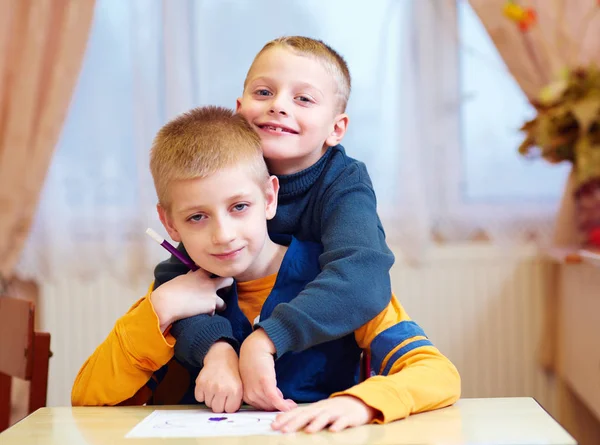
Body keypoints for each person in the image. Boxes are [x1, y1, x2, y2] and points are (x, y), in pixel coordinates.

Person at [72, 106, 461, 434]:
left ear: (269, 197)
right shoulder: (178, 292)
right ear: (169, 224)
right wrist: (159, 308)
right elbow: (88, 398)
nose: (223, 236)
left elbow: (438, 374)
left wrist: (360, 404)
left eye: (239, 207)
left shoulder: (337, 284)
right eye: (196, 217)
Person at [157, 36, 396, 412]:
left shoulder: (344, 182)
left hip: (316, 375)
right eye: (264, 92)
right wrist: (215, 350)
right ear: (239, 111)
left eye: (303, 98)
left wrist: (267, 337)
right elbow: (179, 279)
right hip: (228, 385)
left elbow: (363, 277)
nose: (278, 106)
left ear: (337, 128)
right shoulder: (226, 177)